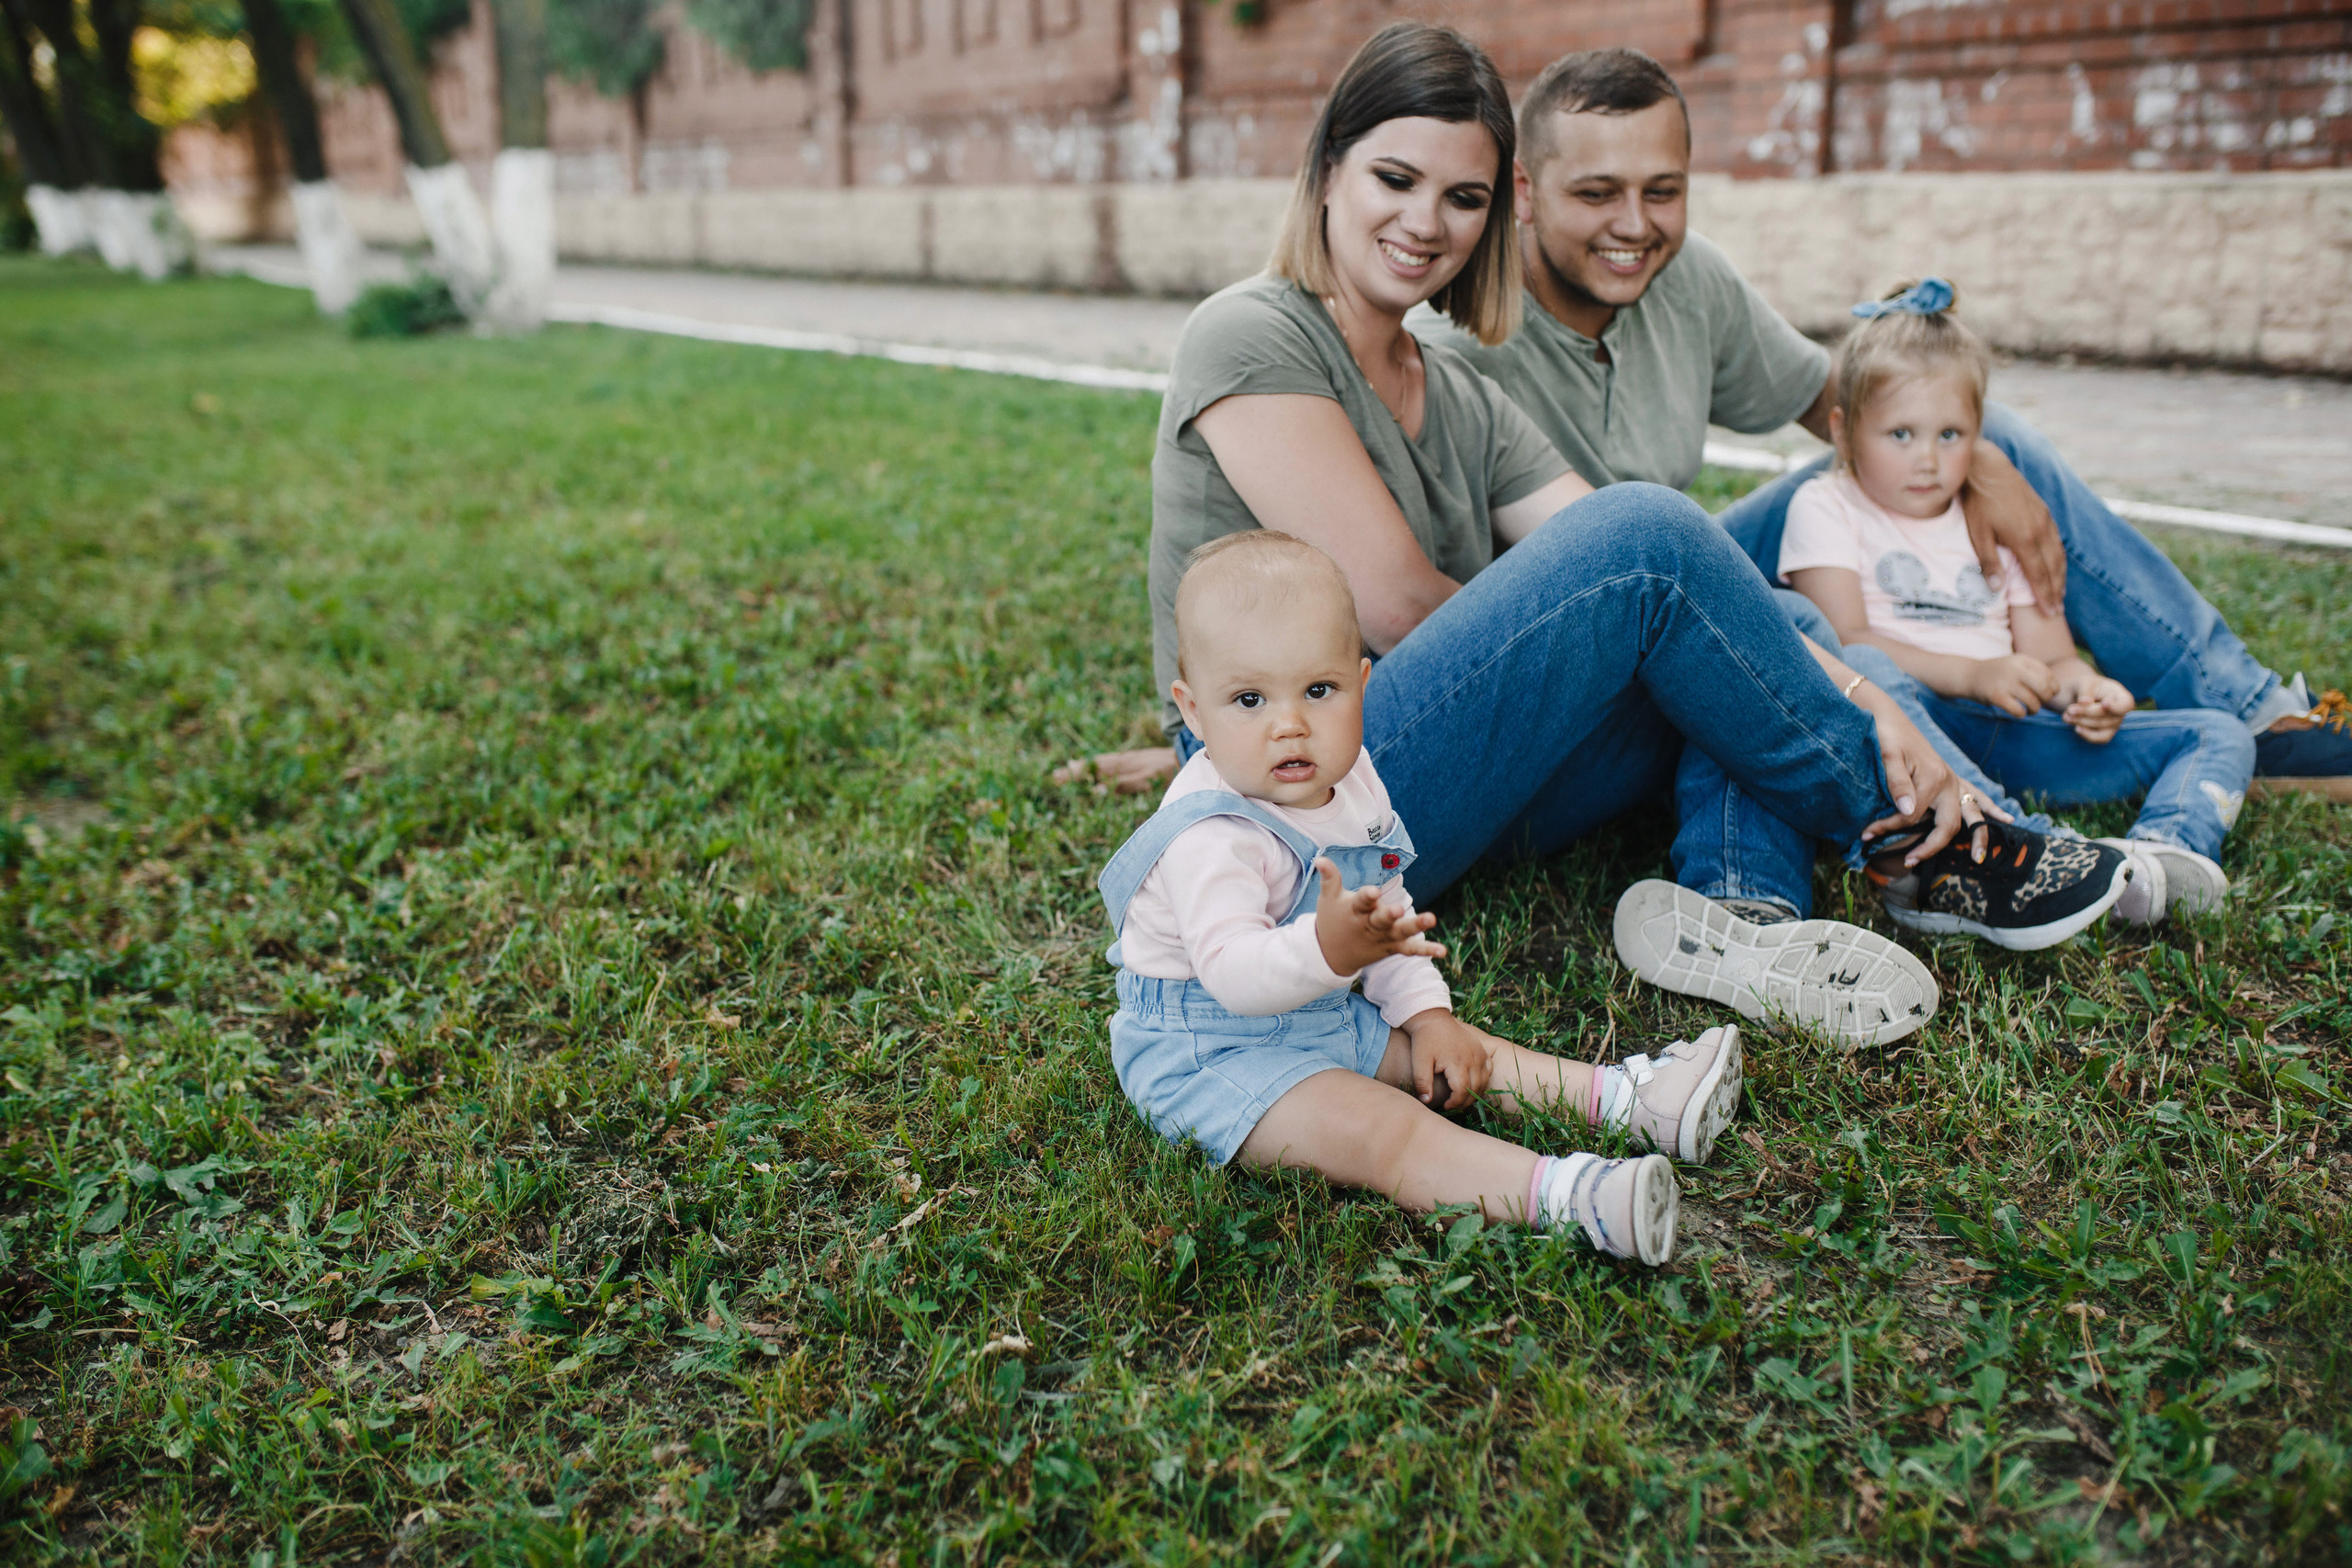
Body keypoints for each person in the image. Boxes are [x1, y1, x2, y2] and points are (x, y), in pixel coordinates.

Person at [1106, 20, 2136, 1045]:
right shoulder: (1250, 331)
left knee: (1739, 630)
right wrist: (1642, 653)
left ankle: (1752, 913)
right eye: (1394, 178)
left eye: (1463, 197)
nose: (1427, 222)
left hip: (1431, 788)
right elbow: (1398, 608)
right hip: (1290, 801)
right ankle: (1942, 847)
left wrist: (1855, 686)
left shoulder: (1457, 386)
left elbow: (1697, 602)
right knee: (1648, 539)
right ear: (1328, 170)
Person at [1419, 45, 2352, 815]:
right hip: (1591, 644)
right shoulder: (1453, 337)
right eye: (1597, 195)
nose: (1634, 225)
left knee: (1988, 440)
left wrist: (1979, 459)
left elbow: (1853, 406)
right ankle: (1977, 806)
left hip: (1695, 567)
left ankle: (2252, 713)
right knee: (1696, 546)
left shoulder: (1685, 276)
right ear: (1526, 190)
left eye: (1661, 191)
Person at [1102, 530, 1746, 1263]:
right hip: (1209, 1044)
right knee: (1384, 1129)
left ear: (1362, 682)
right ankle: (1576, 1199)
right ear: (1192, 711)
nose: (1290, 723)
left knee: (1447, 1052)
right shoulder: (1210, 834)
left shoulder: (1351, 779)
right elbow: (1233, 973)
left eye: (1319, 690)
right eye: (1248, 698)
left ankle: (1633, 1101)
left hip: (1315, 1005)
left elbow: (1389, 914)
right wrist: (1330, 948)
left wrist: (1429, 1014)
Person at [1781, 279, 2255, 935]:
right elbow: (1842, 639)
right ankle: (2024, 841)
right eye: (1900, 433)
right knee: (1862, 659)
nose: (1928, 459)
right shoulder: (1827, 505)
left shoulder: (1991, 511)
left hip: (2011, 728)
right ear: (1842, 429)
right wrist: (1975, 674)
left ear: (1979, 432)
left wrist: (2089, 689)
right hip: (1907, 733)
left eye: (1951, 434)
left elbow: (2051, 655)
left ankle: (2161, 855)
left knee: (2219, 732)